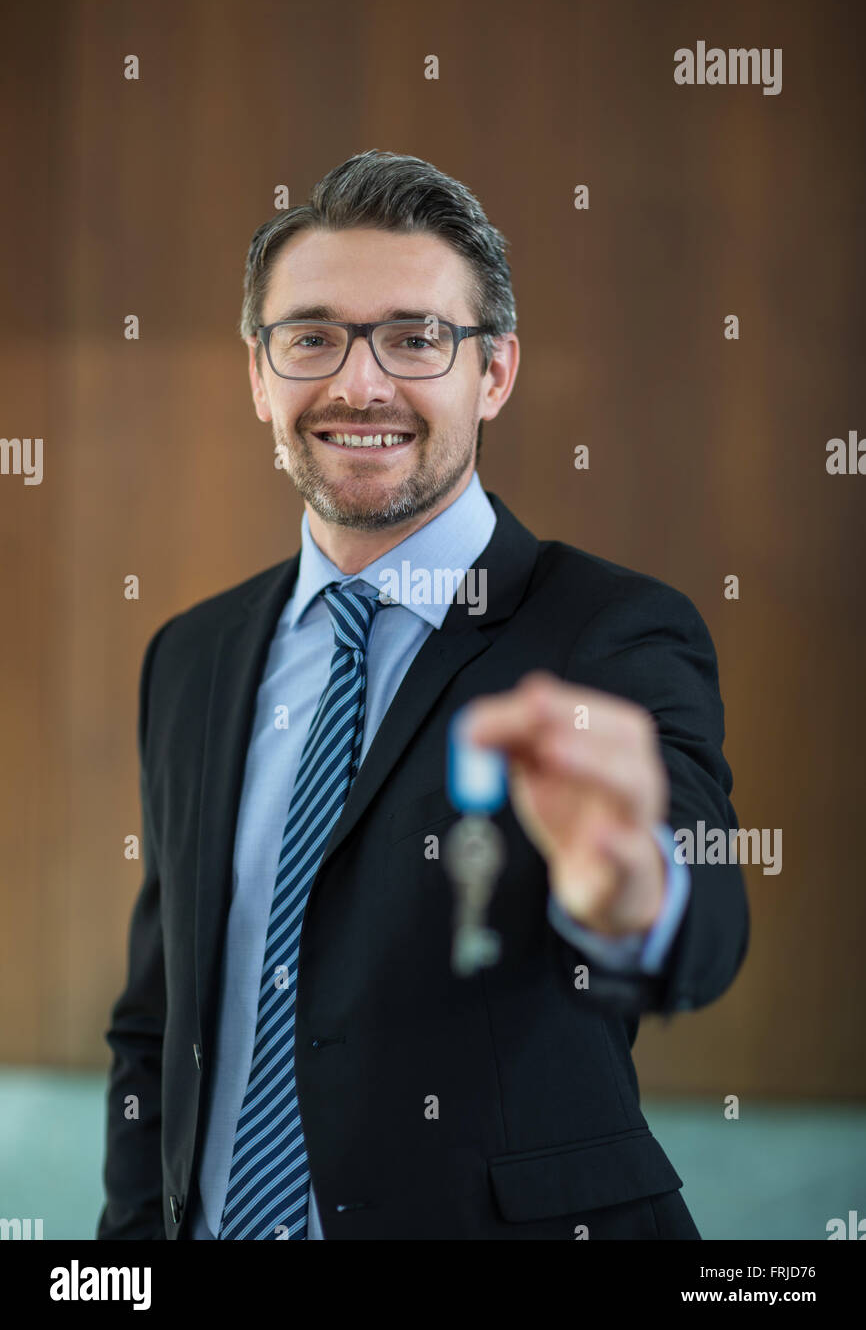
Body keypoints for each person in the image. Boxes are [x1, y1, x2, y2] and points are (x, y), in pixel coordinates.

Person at [96, 150, 748, 1242]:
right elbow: (157, 1023)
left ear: (492, 373)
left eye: (414, 337)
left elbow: (701, 910)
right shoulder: (190, 655)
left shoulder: (609, 629)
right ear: (258, 374)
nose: (359, 385)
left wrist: (632, 884)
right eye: (310, 337)